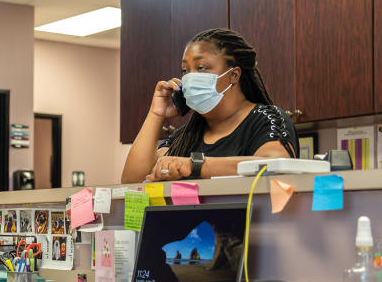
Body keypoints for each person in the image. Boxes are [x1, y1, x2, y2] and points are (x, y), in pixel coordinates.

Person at [121, 28, 298, 183]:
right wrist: (156, 114)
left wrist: (194, 165)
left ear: (234, 75)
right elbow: (132, 181)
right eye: (185, 70)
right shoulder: (185, 136)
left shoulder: (267, 119)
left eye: (202, 67)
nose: (190, 77)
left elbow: (276, 166)